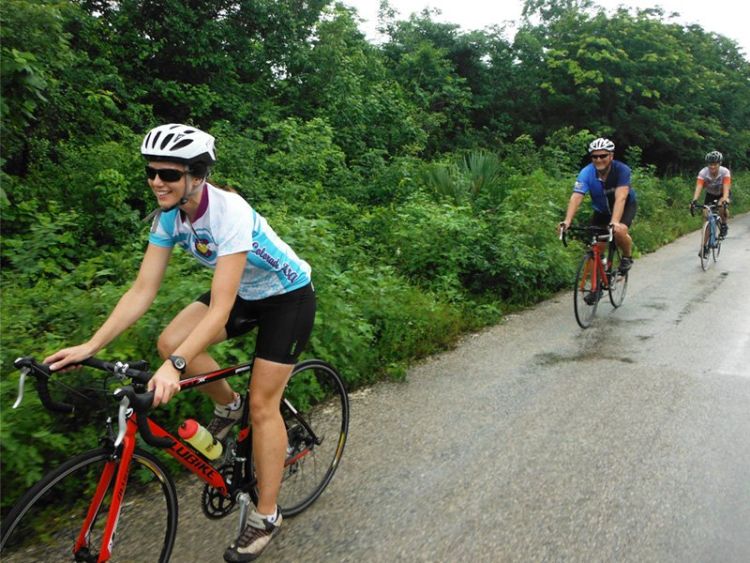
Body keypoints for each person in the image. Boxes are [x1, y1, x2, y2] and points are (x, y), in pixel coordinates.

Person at [44, 123, 316, 562]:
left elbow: (219, 311)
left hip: (287, 298)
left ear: (196, 175)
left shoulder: (229, 213)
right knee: (169, 338)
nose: (156, 182)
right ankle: (230, 406)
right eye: (151, 172)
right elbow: (142, 290)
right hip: (247, 294)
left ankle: (266, 516)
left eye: (168, 174)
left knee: (264, 405)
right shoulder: (169, 216)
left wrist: (176, 365)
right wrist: (90, 346)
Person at [559, 137, 638, 274]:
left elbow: (621, 196)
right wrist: (567, 220)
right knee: (596, 248)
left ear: (611, 156)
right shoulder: (587, 172)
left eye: (603, 156)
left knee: (618, 231)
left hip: (624, 207)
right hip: (601, 210)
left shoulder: (621, 170)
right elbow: (577, 196)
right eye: (595, 156)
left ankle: (627, 257)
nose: (598, 159)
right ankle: (596, 287)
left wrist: (614, 222)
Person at [691, 150, 731, 256]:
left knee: (721, 206)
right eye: (710, 164)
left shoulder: (725, 172)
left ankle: (724, 225)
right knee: (706, 217)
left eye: (715, 164)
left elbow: (726, 187)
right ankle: (704, 247)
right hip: (710, 194)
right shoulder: (703, 173)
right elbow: (699, 186)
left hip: (722, 193)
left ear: (719, 164)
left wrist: (725, 199)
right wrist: (694, 200)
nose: (712, 167)